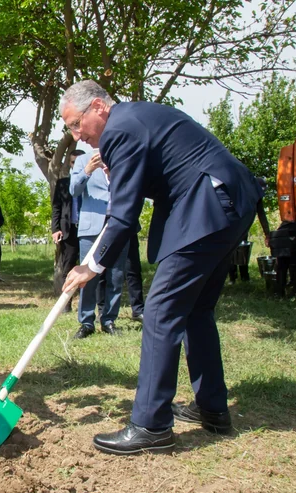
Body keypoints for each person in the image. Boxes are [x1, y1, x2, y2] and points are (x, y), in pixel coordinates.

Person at [61, 80, 262, 455]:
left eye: (76, 124)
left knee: (160, 311)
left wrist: (91, 266)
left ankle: (151, 426)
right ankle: (212, 408)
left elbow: (122, 216)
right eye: (70, 129)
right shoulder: (132, 123)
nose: (76, 136)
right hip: (228, 202)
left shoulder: (120, 128)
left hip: (209, 204)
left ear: (99, 108)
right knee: (196, 310)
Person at [69, 151, 129, 338]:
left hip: (118, 224)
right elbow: (74, 190)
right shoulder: (82, 160)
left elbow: (133, 190)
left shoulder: (123, 157)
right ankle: (86, 322)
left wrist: (112, 175)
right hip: (91, 227)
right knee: (87, 278)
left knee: (116, 275)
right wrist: (87, 170)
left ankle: (109, 320)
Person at [52, 149, 85, 312]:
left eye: (78, 161)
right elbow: (56, 207)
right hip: (68, 230)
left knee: (90, 267)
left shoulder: (92, 182)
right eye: (72, 162)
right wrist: (56, 229)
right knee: (68, 267)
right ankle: (66, 304)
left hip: (88, 230)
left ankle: (87, 305)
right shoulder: (63, 183)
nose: (75, 165)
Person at [124, 232, 145, 322]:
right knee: (103, 271)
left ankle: (138, 310)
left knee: (132, 268)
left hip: (128, 229)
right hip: (102, 226)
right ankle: (102, 311)